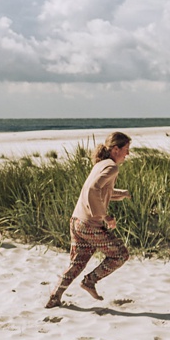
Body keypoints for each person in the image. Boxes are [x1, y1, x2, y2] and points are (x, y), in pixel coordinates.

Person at [45, 132, 132, 308]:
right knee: (121, 254)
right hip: (89, 224)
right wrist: (104, 216)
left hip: (77, 221)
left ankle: (55, 296)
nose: (127, 154)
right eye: (126, 149)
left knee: (77, 263)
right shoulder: (111, 167)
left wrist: (120, 194)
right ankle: (90, 281)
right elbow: (92, 190)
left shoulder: (101, 164)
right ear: (116, 149)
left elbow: (99, 191)